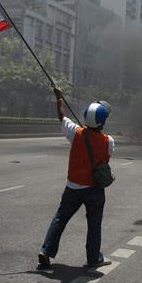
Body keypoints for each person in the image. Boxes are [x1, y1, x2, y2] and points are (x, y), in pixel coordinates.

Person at [37, 85, 115, 270]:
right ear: (102, 122)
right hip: (94, 189)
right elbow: (105, 156)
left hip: (72, 187)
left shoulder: (76, 133)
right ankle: (93, 258)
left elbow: (62, 117)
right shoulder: (108, 141)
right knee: (94, 225)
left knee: (60, 218)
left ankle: (46, 251)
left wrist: (59, 98)